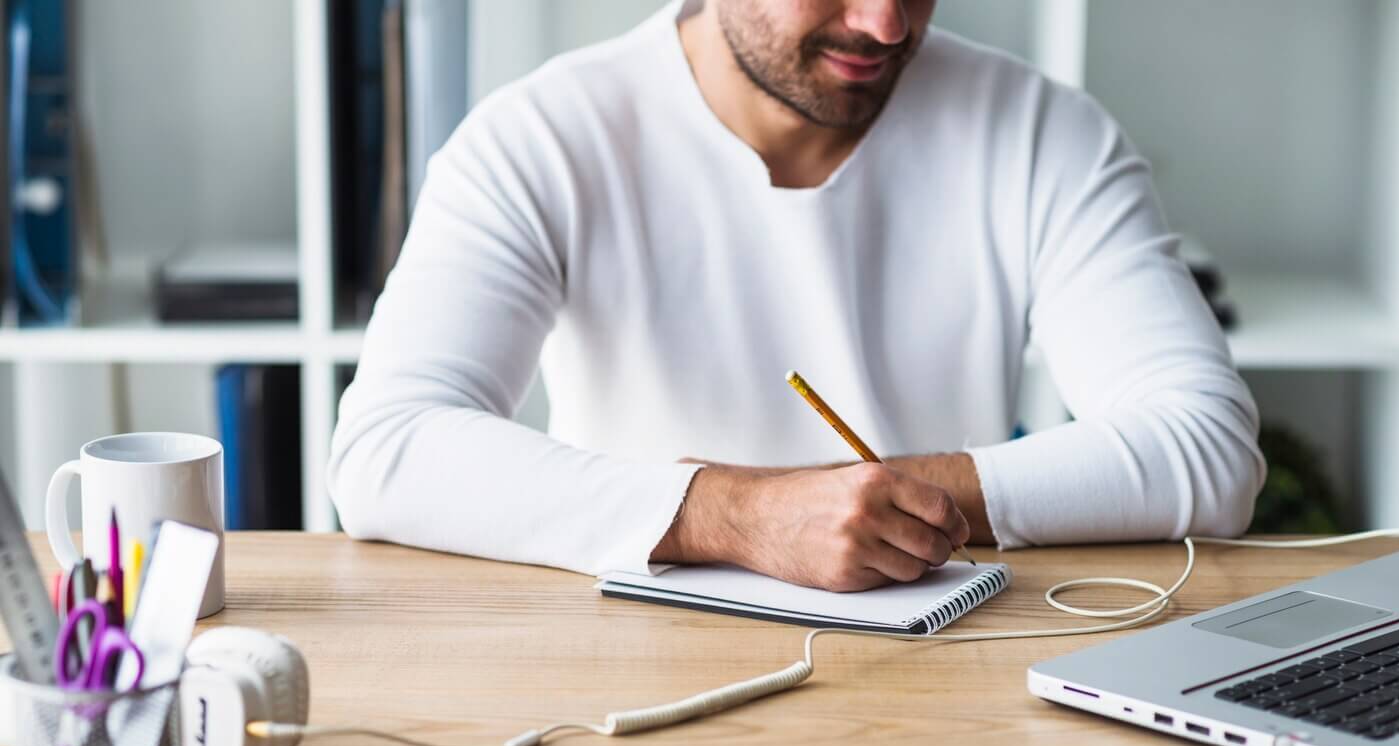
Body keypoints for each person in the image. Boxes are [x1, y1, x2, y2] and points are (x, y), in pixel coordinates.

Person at [329, 0, 1265, 592]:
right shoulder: (543, 137)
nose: (887, 24)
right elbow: (386, 449)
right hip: (627, 660)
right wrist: (739, 516)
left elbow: (1208, 446)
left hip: (941, 672)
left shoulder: (1041, 133)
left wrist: (867, 509)